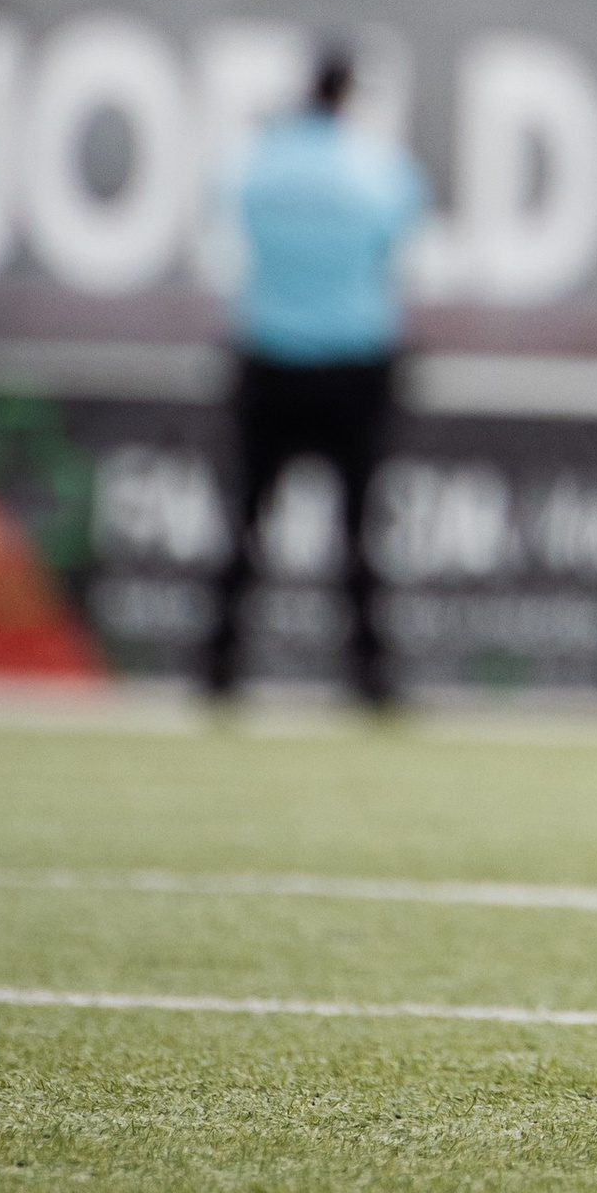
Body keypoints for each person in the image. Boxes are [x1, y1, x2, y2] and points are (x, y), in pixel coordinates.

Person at [201, 46, 430, 708]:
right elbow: (393, 243)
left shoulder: (260, 163)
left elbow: (231, 209)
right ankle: (371, 679)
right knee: (360, 534)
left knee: (244, 523)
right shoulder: (378, 169)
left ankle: (220, 670)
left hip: (268, 357)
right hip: (353, 361)